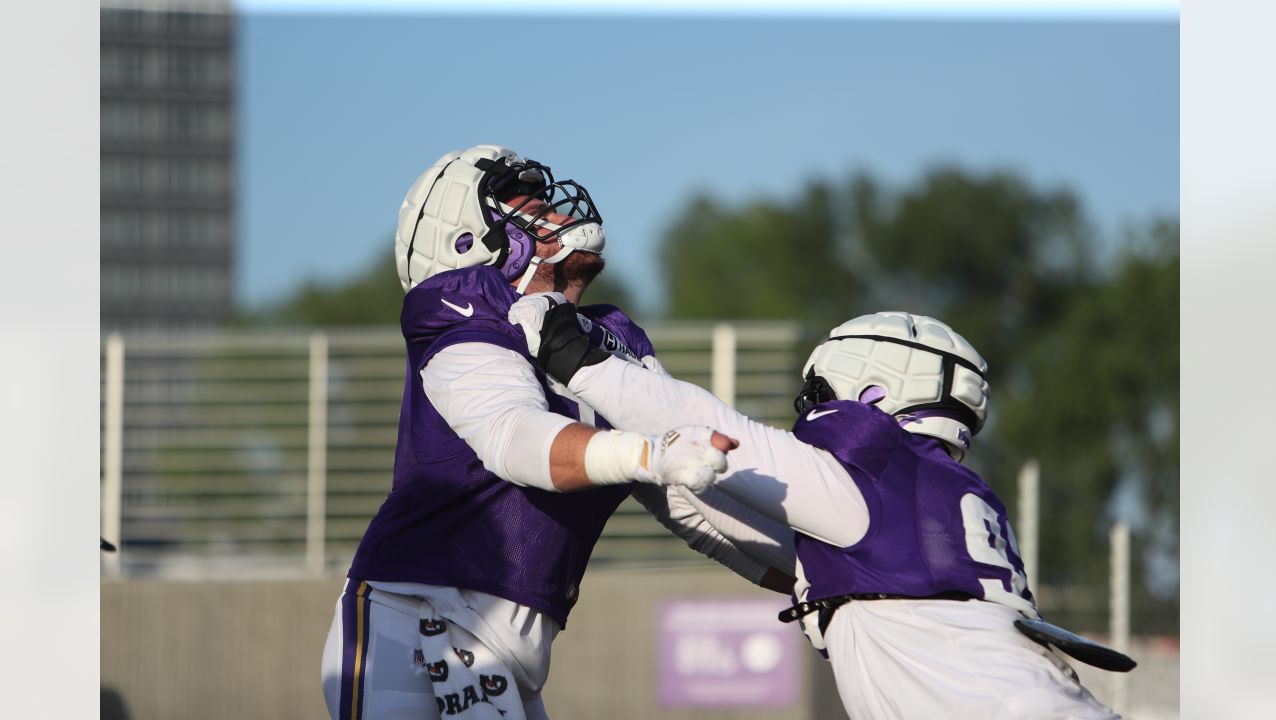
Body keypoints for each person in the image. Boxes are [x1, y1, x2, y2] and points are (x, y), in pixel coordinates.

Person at [320, 145, 793, 720]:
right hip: (414, 616)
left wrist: (820, 583)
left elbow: (695, 500)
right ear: (470, 241)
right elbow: (515, 439)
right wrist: (652, 451)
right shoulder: (459, 307)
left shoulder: (610, 336)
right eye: (523, 202)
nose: (552, 209)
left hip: (505, 656)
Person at [509, 299, 1130, 719]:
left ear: (872, 392)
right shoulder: (925, 500)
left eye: (818, 393)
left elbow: (720, 433)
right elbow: (713, 515)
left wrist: (574, 356)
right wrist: (638, 455)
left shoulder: (876, 474)